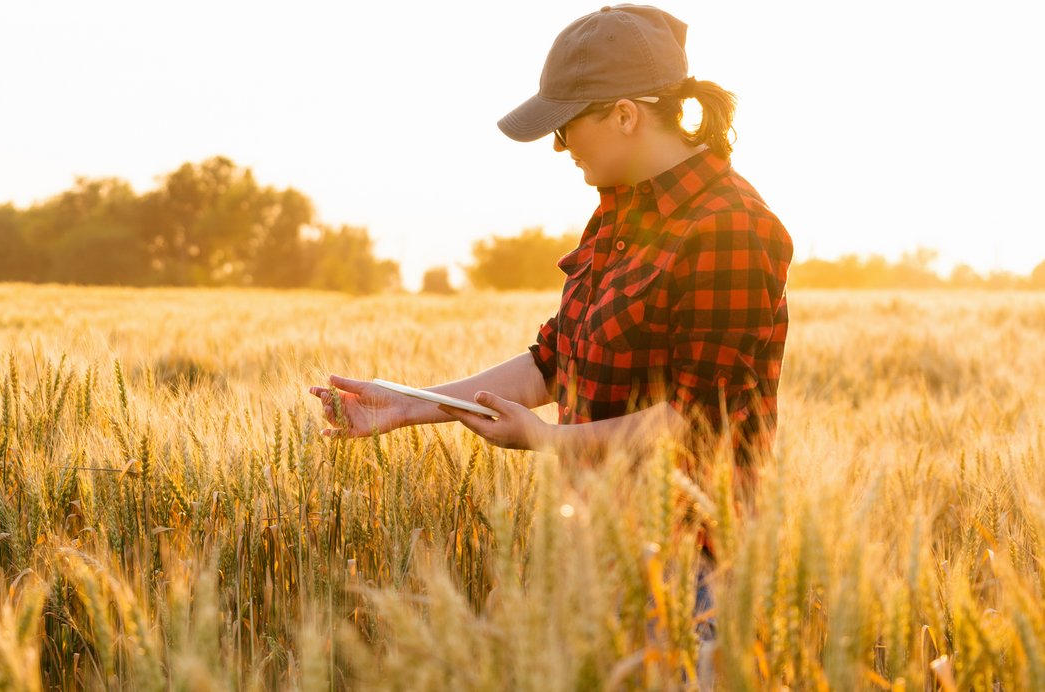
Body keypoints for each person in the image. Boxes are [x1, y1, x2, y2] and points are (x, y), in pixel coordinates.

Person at [309, 3, 791, 675]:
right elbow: (555, 357)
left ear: (625, 114)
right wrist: (408, 404)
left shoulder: (730, 228)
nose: (562, 148)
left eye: (568, 126)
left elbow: (697, 420)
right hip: (607, 544)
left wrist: (551, 442)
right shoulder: (619, 208)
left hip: (697, 562)